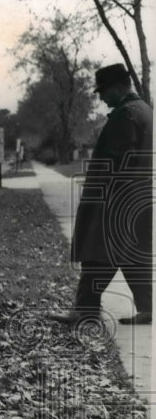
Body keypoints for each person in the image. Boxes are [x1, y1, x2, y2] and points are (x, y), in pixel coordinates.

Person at [49, 63, 153, 326]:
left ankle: (85, 311)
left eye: (103, 91)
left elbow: (117, 163)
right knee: (132, 255)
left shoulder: (125, 115)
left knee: (97, 254)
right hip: (138, 200)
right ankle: (148, 307)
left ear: (118, 87)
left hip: (116, 201)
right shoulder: (145, 111)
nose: (100, 97)